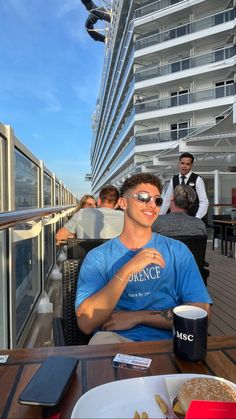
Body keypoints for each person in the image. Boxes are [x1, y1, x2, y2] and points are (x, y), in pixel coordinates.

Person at [75, 173, 212, 344]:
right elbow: (86, 322)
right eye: (143, 197)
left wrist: (138, 317)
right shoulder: (99, 257)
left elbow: (201, 312)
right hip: (117, 342)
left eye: (157, 200)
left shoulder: (177, 251)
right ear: (123, 203)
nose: (152, 204)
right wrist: (127, 270)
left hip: (172, 344)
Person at [56, 185, 124, 242]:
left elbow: (58, 237)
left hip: (85, 256)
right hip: (117, 257)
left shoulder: (81, 213)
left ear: (99, 201)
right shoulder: (125, 216)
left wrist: (74, 238)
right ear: (117, 203)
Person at [159, 153, 209, 220]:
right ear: (179, 163)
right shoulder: (173, 180)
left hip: (193, 218)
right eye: (182, 163)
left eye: (188, 164)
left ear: (191, 165)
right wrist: (160, 217)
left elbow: (204, 202)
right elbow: (167, 201)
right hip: (176, 219)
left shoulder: (198, 179)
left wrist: (197, 218)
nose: (184, 166)